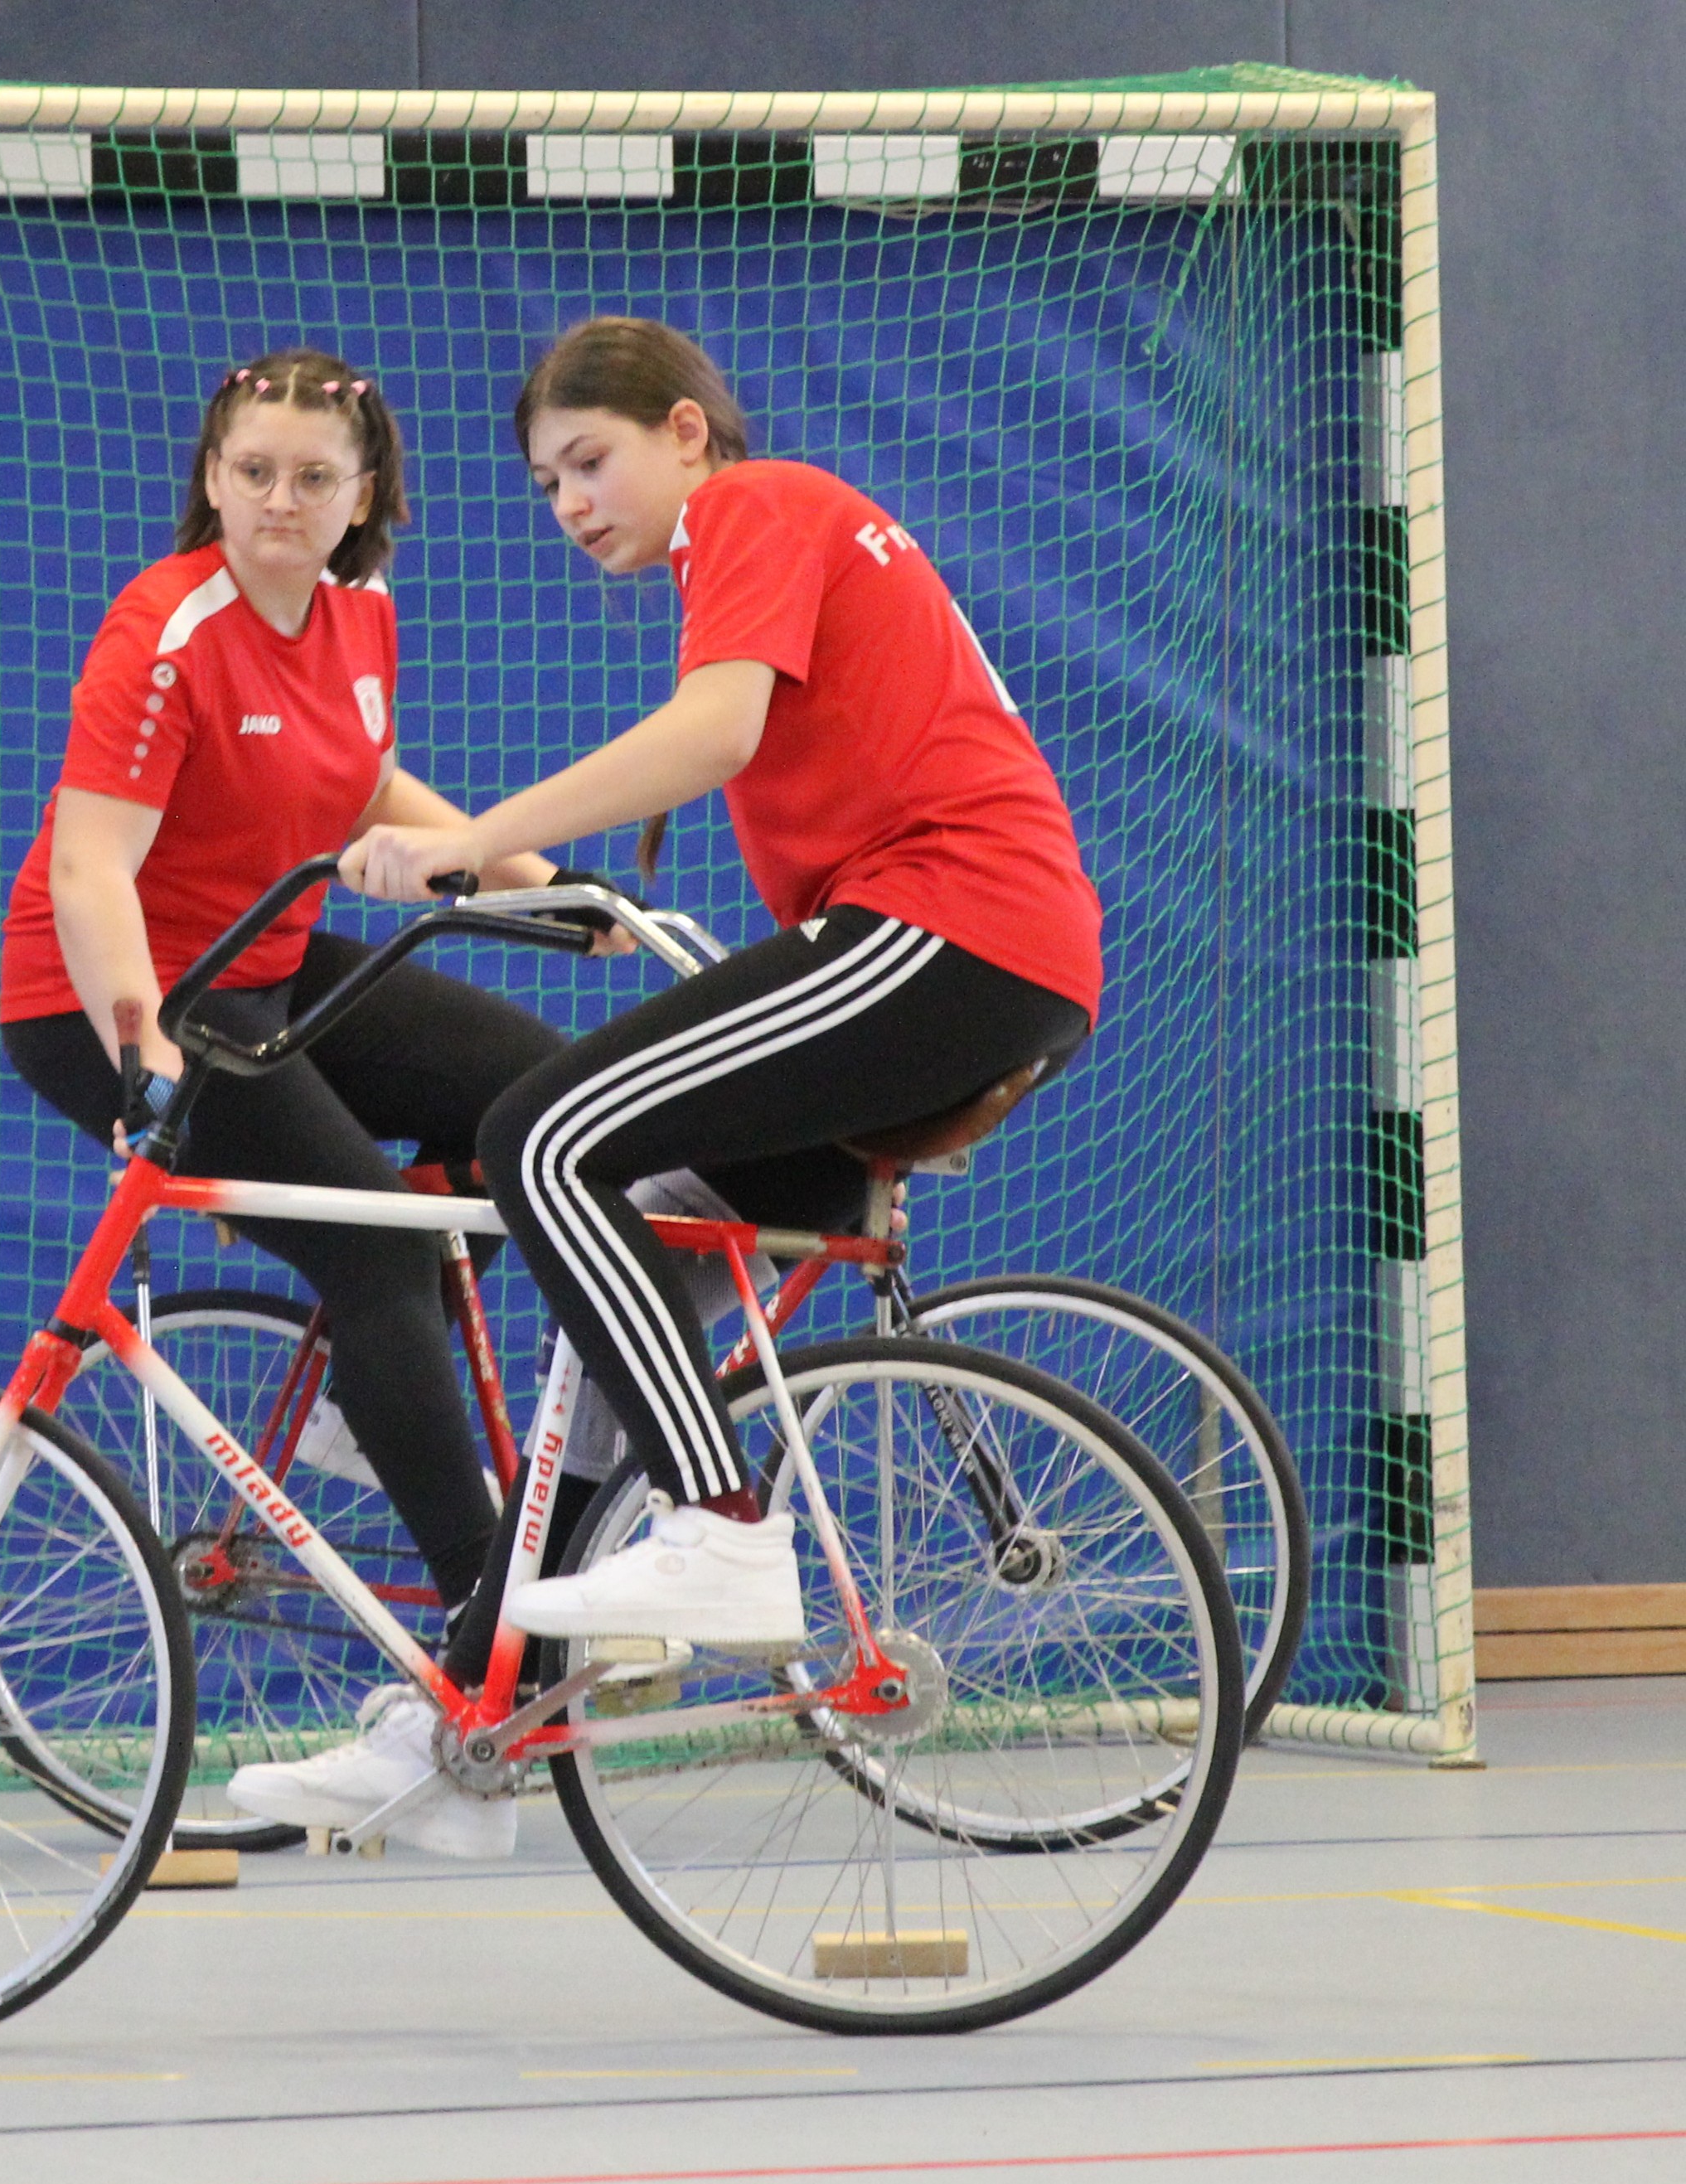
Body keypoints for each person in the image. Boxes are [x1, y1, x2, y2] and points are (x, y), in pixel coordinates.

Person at [234, 315, 1103, 1844]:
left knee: (538, 1131)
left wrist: (469, 839)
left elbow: (716, 729)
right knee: (624, 1276)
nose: (572, 503)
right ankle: (474, 1725)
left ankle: (721, 1527)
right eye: (547, 485)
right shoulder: (766, 542)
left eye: (591, 460)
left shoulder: (755, 507)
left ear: (688, 432)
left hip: (953, 929)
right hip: (954, 947)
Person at [0, 349, 604, 1854]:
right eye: (255, 471)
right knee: (384, 1251)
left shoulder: (359, 614)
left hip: (267, 964)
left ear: (363, 494)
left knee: (543, 1102)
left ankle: (355, 1397)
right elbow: (89, 868)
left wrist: (535, 879)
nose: (281, 499)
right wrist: (144, 1054)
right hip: (116, 996)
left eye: (314, 477)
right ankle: (489, 1660)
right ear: (213, 477)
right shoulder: (164, 632)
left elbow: (368, 783)